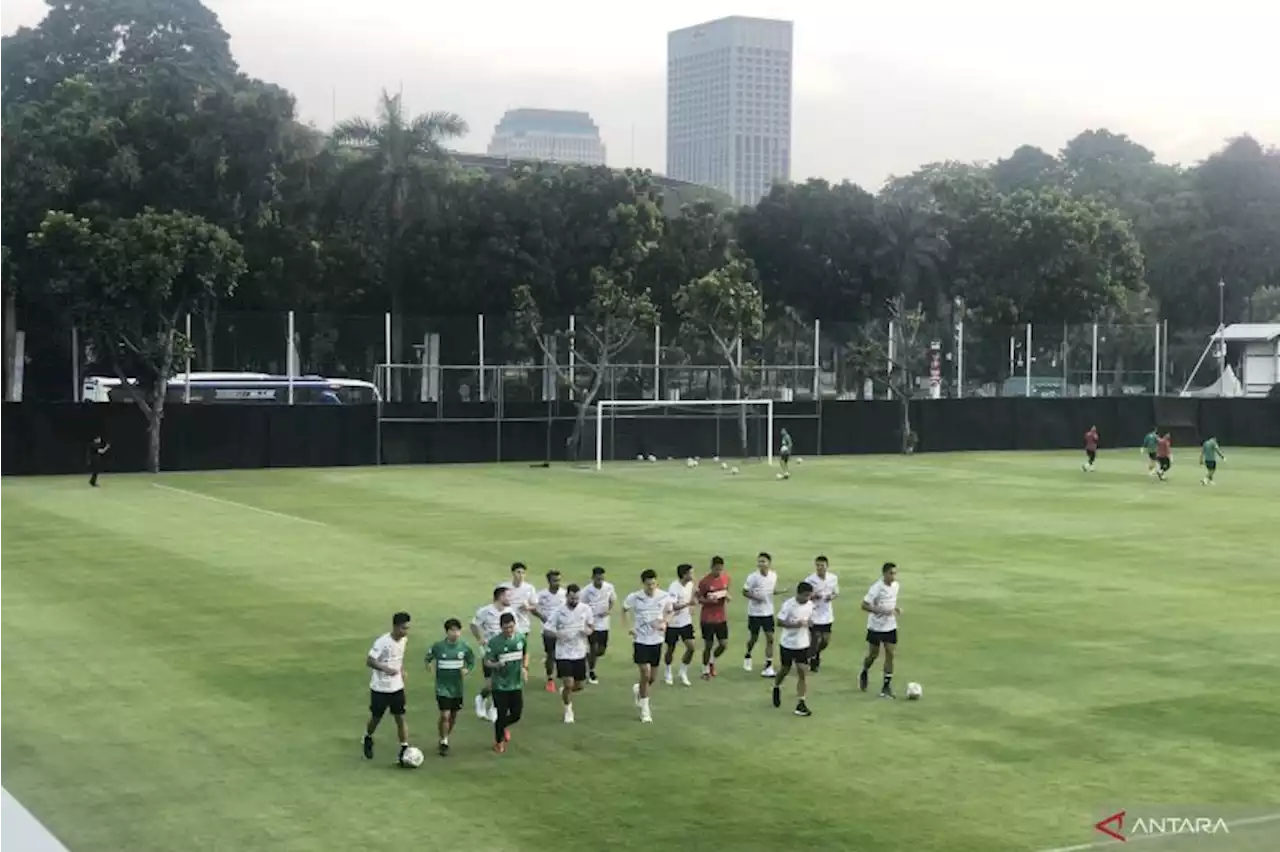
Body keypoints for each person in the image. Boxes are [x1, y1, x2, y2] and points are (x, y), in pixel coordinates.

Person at [623, 569, 673, 723]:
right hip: (641, 641)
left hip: (656, 641)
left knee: (652, 677)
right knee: (645, 673)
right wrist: (629, 627)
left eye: (653, 583)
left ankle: (639, 689)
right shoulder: (635, 597)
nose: (651, 587)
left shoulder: (664, 596)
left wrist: (665, 622)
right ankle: (645, 710)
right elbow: (624, 610)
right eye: (648, 584)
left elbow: (670, 612)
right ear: (643, 584)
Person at [363, 611, 411, 762]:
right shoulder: (382, 642)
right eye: (403, 628)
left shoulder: (404, 641)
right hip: (380, 688)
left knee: (400, 717)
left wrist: (402, 670)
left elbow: (399, 658)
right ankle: (368, 737)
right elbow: (370, 660)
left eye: (407, 628)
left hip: (397, 687)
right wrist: (385, 669)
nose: (405, 631)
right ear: (395, 627)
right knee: (376, 718)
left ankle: (404, 747)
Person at [424, 618, 475, 756]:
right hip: (442, 687)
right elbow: (428, 657)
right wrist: (428, 665)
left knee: (453, 715)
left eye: (457, 630)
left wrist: (467, 669)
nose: (455, 633)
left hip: (457, 688)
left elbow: (471, 661)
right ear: (447, 632)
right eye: (452, 630)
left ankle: (444, 736)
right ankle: (444, 741)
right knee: (445, 715)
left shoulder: (464, 647)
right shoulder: (438, 647)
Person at [548, 583, 593, 723]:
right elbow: (547, 629)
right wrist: (557, 634)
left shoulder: (585, 609)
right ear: (567, 596)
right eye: (572, 598)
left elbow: (591, 626)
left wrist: (587, 631)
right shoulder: (558, 611)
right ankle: (568, 710)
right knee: (568, 683)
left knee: (579, 685)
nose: (574, 601)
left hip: (579, 652)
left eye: (577, 598)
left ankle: (565, 693)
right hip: (563, 653)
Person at [483, 613, 528, 753]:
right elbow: (487, 661)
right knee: (502, 714)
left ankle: (502, 726)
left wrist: (525, 668)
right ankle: (498, 742)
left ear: (514, 625)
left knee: (516, 714)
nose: (509, 630)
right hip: (500, 685)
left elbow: (525, 653)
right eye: (505, 628)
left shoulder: (520, 638)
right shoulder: (494, 642)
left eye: (511, 627)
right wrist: (496, 665)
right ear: (501, 627)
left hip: (516, 684)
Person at [772, 581, 815, 716]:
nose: (807, 598)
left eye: (809, 596)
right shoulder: (789, 605)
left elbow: (810, 620)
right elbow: (779, 622)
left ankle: (801, 703)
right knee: (785, 669)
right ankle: (776, 686)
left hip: (802, 643)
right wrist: (795, 625)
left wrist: (809, 623)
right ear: (799, 594)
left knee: (802, 671)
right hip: (788, 643)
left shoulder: (810, 604)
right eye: (805, 595)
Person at [470, 586, 512, 721]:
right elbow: (474, 625)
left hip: (505, 651)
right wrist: (480, 639)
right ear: (500, 597)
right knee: (491, 684)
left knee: (502, 682)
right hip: (489, 651)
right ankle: (481, 698)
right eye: (507, 596)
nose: (510, 598)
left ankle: (493, 708)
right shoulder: (485, 611)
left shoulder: (510, 611)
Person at [860, 563, 901, 698]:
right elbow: (864, 605)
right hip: (876, 626)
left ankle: (886, 686)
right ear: (884, 574)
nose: (893, 576)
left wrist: (896, 610)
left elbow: (891, 603)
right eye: (891, 573)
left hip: (890, 626)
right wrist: (882, 611)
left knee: (890, 654)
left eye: (895, 573)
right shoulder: (876, 588)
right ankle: (865, 670)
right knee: (873, 654)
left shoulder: (896, 586)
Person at [742, 552, 780, 677]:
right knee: (754, 638)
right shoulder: (753, 577)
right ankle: (748, 654)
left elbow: (771, 590)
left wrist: (779, 592)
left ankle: (768, 665)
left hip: (768, 612)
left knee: (770, 638)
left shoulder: (773, 576)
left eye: (763, 561)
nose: (761, 564)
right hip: (754, 613)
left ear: (769, 563)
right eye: (759, 561)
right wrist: (756, 597)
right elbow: (745, 592)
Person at [580, 566, 616, 685]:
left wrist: (608, 610)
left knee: (601, 650)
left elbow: (612, 600)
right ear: (593, 578)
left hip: (604, 624)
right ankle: (591, 671)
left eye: (601, 579)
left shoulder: (609, 587)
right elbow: (581, 607)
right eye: (597, 579)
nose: (600, 581)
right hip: (592, 623)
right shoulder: (586, 591)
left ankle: (587, 657)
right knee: (594, 647)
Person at [697, 556, 731, 679]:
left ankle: (712, 660)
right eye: (716, 569)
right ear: (711, 567)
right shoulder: (704, 581)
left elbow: (726, 591)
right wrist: (708, 600)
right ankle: (705, 669)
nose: (718, 572)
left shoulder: (726, 578)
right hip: (707, 618)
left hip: (721, 617)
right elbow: (698, 598)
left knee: (723, 644)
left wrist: (727, 596)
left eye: (720, 569)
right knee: (708, 645)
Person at [663, 563, 697, 686]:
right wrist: (688, 603)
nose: (693, 575)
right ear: (684, 574)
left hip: (686, 622)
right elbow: (673, 606)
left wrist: (692, 605)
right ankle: (668, 671)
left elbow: (692, 598)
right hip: (673, 623)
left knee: (691, 647)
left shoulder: (690, 585)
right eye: (691, 573)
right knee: (671, 649)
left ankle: (683, 671)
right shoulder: (674, 587)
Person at [804, 555, 839, 672]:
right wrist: (813, 596)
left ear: (827, 566)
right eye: (817, 565)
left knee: (825, 641)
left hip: (827, 614)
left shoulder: (833, 578)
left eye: (822, 565)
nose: (819, 568)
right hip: (813, 613)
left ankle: (813, 653)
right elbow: (804, 596)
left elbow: (836, 592)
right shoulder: (810, 580)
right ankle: (813, 659)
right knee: (816, 638)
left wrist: (831, 597)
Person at [535, 570, 567, 692]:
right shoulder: (542, 595)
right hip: (548, 630)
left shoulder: (564, 594)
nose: (557, 583)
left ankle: (564, 677)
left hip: (563, 630)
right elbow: (533, 607)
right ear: (549, 581)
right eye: (554, 581)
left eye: (559, 580)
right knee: (551, 654)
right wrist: (543, 617)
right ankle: (550, 679)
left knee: (563, 655)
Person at [506, 561, 539, 644]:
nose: (521, 575)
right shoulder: (504, 587)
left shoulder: (529, 588)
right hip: (507, 624)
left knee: (521, 649)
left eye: (523, 573)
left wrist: (527, 608)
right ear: (513, 573)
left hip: (523, 624)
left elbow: (535, 605)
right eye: (518, 572)